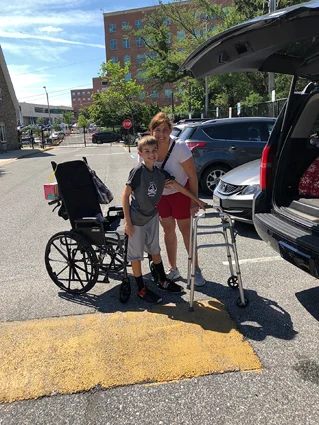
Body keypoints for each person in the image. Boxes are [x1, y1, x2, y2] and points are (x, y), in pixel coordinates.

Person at [122, 135, 206, 303]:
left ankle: (161, 280)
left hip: (152, 216)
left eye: (154, 151)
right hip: (137, 218)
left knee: (155, 250)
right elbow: (125, 196)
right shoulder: (138, 171)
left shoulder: (160, 174)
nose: (151, 154)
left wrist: (196, 200)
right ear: (140, 153)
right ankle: (141, 288)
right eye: (147, 151)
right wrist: (127, 222)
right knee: (136, 255)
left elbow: (178, 187)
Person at [147, 112, 206, 286]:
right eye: (158, 130)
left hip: (181, 194)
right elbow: (143, 172)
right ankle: (173, 269)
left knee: (186, 231)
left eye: (165, 130)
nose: (161, 134)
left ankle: (196, 270)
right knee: (168, 231)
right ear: (151, 131)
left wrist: (194, 201)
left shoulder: (179, 147)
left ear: (171, 130)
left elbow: (192, 176)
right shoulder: (148, 146)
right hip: (161, 197)